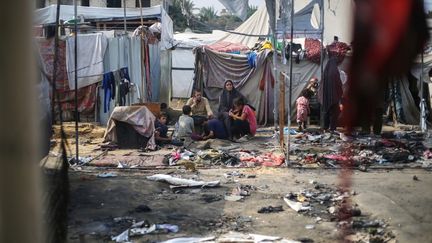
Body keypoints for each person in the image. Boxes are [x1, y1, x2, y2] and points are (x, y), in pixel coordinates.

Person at [318, 57, 343, 132]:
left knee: (326, 111)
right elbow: (339, 84)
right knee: (334, 113)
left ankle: (325, 127)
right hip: (334, 96)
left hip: (325, 96)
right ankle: (332, 128)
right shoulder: (335, 72)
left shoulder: (325, 72)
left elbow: (321, 85)